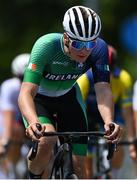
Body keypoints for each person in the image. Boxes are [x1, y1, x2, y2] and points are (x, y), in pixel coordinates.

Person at [18, 6, 122, 179]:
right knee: (46, 141)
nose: (85, 50)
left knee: (81, 168)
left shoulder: (99, 49)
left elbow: (103, 90)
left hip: (68, 97)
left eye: (90, 43)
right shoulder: (46, 46)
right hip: (40, 99)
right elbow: (26, 93)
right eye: (78, 43)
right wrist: (33, 122)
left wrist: (109, 121)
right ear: (66, 38)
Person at [77, 45, 135, 178]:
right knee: (86, 166)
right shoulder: (86, 78)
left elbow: (128, 114)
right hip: (89, 115)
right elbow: (76, 105)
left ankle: (114, 174)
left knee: (119, 134)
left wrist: (132, 143)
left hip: (112, 114)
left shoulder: (123, 78)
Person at [0, 53, 30, 178]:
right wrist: (5, 140)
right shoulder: (9, 87)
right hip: (10, 124)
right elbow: (8, 114)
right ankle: (10, 170)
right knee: (15, 130)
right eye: (22, 78)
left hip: (27, 122)